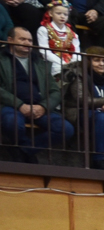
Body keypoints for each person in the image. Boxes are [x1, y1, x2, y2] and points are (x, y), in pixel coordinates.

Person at [0, 26, 70, 162]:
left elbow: (55, 91)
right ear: (10, 40)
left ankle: (24, 151)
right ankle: (26, 154)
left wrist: (43, 107)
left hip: (38, 107)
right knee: (12, 122)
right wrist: (20, 105)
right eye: (22, 39)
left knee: (65, 129)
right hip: (11, 106)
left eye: (30, 40)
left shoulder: (40, 63)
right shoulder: (2, 60)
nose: (27, 43)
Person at [36, 0, 78, 73]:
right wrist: (62, 63)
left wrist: (73, 63)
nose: (62, 16)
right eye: (58, 13)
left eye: (65, 14)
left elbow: (77, 52)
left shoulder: (72, 33)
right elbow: (44, 52)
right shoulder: (44, 30)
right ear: (50, 13)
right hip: (51, 62)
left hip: (70, 63)